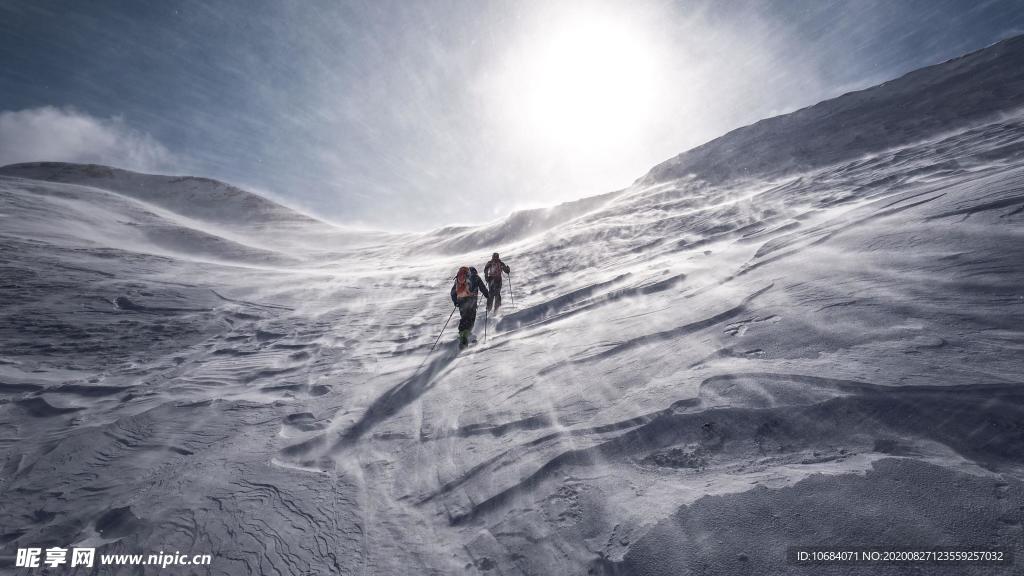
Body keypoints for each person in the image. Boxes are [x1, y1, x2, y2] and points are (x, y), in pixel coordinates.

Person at [450, 266, 490, 348]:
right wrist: (487, 295)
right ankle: (465, 338)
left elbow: (453, 292)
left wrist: (455, 302)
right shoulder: (476, 277)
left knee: (464, 318)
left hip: (461, 302)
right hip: (471, 302)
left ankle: (463, 336)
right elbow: (482, 287)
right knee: (471, 320)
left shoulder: (459, 280)